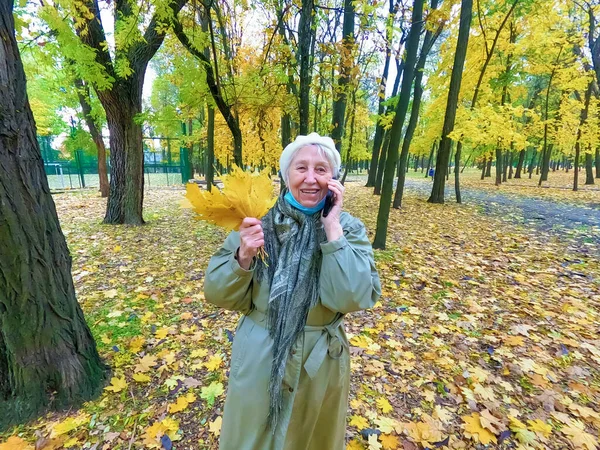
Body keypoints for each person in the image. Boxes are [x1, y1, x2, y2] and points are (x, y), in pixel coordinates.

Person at [204, 132, 381, 450]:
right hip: (261, 353)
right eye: (301, 168)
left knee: (311, 440)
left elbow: (352, 296)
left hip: (320, 363)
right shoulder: (258, 222)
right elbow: (217, 292)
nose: (311, 178)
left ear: (334, 178)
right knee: (253, 439)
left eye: (321, 169)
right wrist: (243, 255)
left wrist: (332, 230)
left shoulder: (348, 228)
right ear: (287, 175)